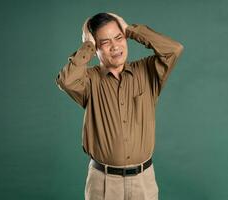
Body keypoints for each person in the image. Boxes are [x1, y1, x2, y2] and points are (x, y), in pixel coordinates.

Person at [55, 12, 183, 200]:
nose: (115, 46)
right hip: (103, 183)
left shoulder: (147, 71)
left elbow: (174, 50)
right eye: (105, 42)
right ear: (96, 48)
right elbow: (66, 81)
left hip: (143, 181)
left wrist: (131, 30)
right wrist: (87, 45)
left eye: (119, 37)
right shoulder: (89, 81)